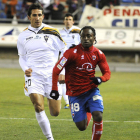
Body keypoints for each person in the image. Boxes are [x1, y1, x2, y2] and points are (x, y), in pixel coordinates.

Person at [50, 26, 111, 140]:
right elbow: (56, 70)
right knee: (81, 127)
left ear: (94, 38)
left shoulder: (99, 54)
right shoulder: (70, 53)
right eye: (83, 36)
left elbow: (107, 73)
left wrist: (100, 79)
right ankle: (88, 109)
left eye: (89, 36)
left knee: (98, 116)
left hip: (91, 91)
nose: (86, 39)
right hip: (75, 94)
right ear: (80, 38)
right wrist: (54, 89)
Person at [17, 3, 66, 140]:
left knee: (55, 112)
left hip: (52, 75)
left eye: (39, 15)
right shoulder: (23, 36)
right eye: (34, 15)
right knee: (38, 106)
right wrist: (25, 69)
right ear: (29, 17)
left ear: (43, 16)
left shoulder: (53, 32)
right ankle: (50, 138)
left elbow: (65, 52)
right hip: (34, 75)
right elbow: (22, 57)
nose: (37, 18)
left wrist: (62, 71)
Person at [59, 13, 81, 109]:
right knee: (62, 80)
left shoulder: (78, 31)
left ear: (73, 21)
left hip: (74, 59)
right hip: (63, 59)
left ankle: (77, 100)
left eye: (70, 19)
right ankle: (67, 102)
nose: (68, 21)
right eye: (66, 19)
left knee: (76, 79)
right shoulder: (59, 33)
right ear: (64, 21)